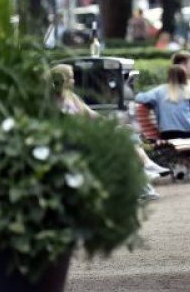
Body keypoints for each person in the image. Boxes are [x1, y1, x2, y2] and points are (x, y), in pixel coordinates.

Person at [52, 64, 167, 199]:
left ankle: (146, 171)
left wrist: (112, 125)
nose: (74, 80)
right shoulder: (53, 100)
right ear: (62, 79)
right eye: (71, 77)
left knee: (125, 133)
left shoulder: (72, 97)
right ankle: (145, 176)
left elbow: (92, 115)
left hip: (86, 136)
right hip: (73, 141)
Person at [136, 65, 190, 139]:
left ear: (169, 76)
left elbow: (139, 98)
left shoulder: (160, 91)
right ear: (184, 77)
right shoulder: (189, 92)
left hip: (168, 131)